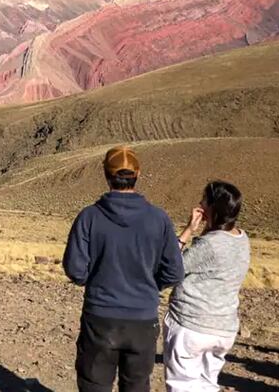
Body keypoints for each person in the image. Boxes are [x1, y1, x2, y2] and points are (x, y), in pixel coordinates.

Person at [63, 146, 184, 392]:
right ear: (137, 175)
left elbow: (75, 270)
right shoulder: (158, 219)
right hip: (142, 319)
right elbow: (174, 272)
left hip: (99, 318)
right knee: (137, 385)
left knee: (94, 384)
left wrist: (98, 280)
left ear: (106, 175)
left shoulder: (89, 217)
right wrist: (148, 286)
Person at [163, 181, 250, 391]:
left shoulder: (209, 244)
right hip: (223, 327)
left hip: (192, 324)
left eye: (203, 199)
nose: (199, 203)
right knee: (208, 385)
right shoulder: (242, 238)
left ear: (212, 207)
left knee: (182, 385)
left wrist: (188, 231)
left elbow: (172, 268)